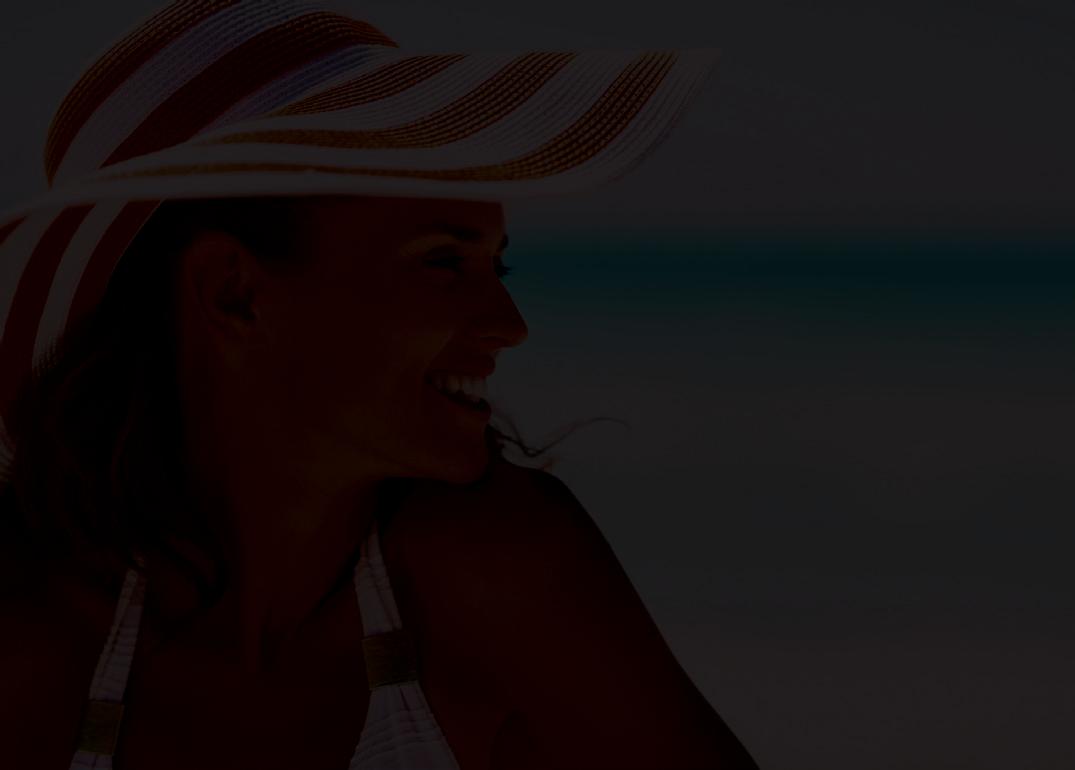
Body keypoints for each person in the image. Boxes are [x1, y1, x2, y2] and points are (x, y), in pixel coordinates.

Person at [0, 2, 760, 768]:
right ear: (233, 291)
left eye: (496, 265)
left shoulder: (491, 573)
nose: (509, 324)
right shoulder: (35, 613)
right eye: (443, 261)